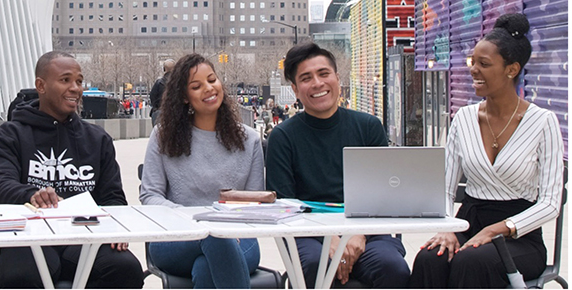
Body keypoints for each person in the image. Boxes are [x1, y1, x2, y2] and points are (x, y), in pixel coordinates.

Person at [409, 13, 563, 288]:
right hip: (468, 222)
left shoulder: (543, 122)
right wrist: (447, 230)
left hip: (519, 235)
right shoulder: (463, 118)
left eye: (484, 64)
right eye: (472, 62)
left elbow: (550, 203)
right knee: (429, 259)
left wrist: (497, 230)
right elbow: (445, 186)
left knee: (473, 261)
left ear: (511, 69)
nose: (473, 70)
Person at [0, 51, 144, 289]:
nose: (75, 88)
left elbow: (113, 197)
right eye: (65, 80)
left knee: (126, 270)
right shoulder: (9, 135)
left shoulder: (98, 139)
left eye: (79, 81)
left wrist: (116, 227)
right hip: (28, 237)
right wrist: (31, 195)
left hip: (86, 237)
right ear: (41, 85)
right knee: (22, 276)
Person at [265, 42, 409, 288]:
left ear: (337, 78)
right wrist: (328, 236)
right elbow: (284, 205)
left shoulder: (368, 126)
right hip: (309, 233)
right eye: (306, 78)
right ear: (295, 89)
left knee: (392, 267)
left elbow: (383, 193)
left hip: (367, 229)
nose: (318, 83)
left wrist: (357, 234)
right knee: (313, 265)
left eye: (323, 74)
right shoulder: (283, 137)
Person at [139, 54, 263, 288]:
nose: (208, 88)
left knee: (207, 265)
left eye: (212, 80)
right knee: (214, 237)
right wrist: (193, 220)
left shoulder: (250, 139)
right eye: (196, 86)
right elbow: (150, 195)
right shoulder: (163, 135)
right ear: (184, 97)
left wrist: (230, 228)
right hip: (176, 236)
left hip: (238, 237)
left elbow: (254, 202)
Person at [149, 58, 176, 125]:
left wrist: (156, 108)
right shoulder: (179, 83)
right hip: (175, 113)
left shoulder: (159, 83)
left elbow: (152, 97)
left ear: (164, 69)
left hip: (160, 113)